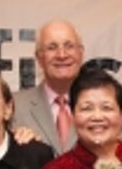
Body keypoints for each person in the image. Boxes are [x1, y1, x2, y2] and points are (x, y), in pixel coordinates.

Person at [13, 20, 86, 154]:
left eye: (69, 46)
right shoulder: (14, 107)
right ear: (39, 58)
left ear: (80, 54)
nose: (62, 55)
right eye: (52, 47)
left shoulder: (107, 107)